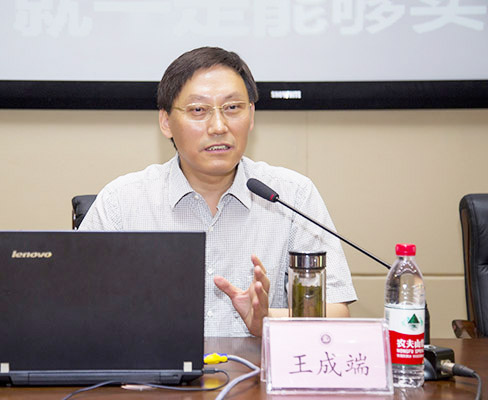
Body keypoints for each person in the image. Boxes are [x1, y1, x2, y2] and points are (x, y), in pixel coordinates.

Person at [79, 47, 357, 337]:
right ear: (166, 121)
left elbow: (336, 310)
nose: (219, 126)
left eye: (232, 108)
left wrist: (268, 319)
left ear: (251, 115)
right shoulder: (122, 202)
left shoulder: (292, 196)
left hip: (257, 366)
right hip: (153, 366)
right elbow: (77, 307)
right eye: (198, 110)